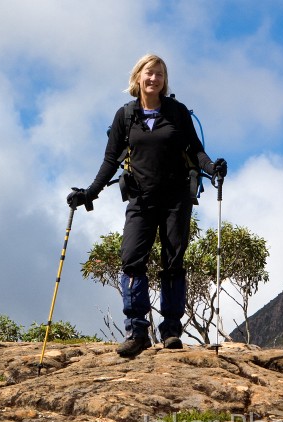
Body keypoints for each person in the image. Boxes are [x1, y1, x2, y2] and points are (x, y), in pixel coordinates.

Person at [67, 54, 227, 357]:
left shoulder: (177, 113)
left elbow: (195, 151)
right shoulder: (125, 116)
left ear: (165, 81)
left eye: (160, 75)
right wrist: (89, 193)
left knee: (173, 261)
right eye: (149, 73)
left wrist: (212, 167)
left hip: (176, 199)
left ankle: (170, 332)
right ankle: (137, 331)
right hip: (141, 198)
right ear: (138, 76)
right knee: (131, 259)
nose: (154, 79)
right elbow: (110, 160)